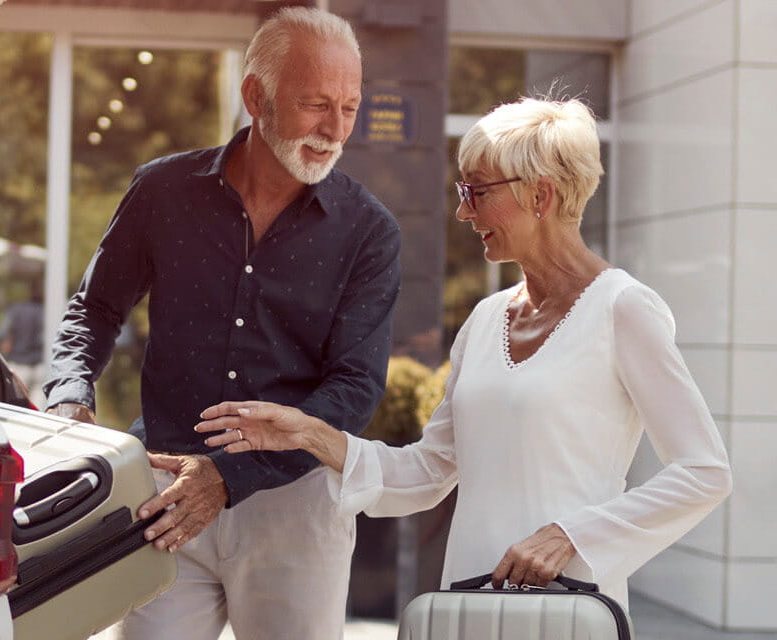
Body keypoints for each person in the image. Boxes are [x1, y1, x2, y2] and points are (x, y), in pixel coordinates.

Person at [196, 97, 733, 610]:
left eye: (476, 192)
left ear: (540, 196)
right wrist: (310, 434)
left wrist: (572, 536)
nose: (461, 211)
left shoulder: (624, 308)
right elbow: (430, 471)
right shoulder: (485, 320)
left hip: (570, 602)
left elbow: (704, 470)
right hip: (471, 596)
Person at [44, 7, 401, 639]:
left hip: (295, 508)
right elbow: (94, 309)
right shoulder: (163, 191)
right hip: (165, 491)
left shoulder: (368, 230)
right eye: (316, 104)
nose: (334, 129)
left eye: (349, 108)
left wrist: (230, 476)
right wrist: (70, 396)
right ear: (254, 96)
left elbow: (354, 388)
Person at [0, 286, 46, 407]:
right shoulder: (48, 312)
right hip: (40, 365)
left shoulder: (17, 310)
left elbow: (1, 333)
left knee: (14, 407)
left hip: (18, 363)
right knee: (37, 409)